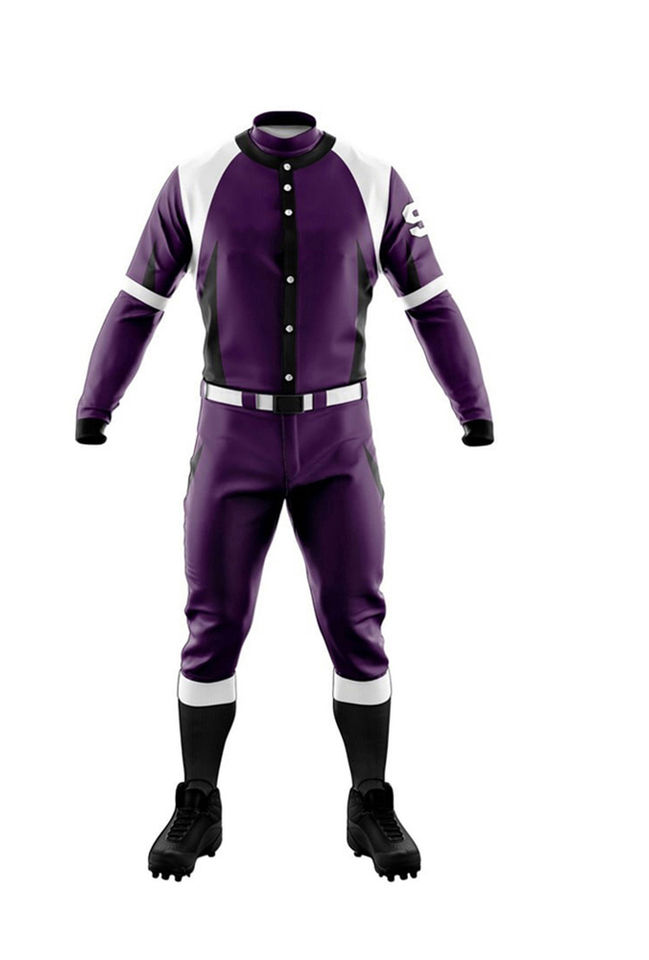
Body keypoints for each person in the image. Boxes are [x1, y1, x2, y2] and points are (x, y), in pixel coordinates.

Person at [76, 111, 493, 882]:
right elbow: (139, 298)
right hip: (231, 440)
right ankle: (199, 800)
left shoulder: (374, 179)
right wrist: (95, 405)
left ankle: (369, 800)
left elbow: (430, 299)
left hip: (340, 444)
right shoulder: (195, 180)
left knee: (357, 620)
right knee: (213, 621)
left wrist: (474, 408)